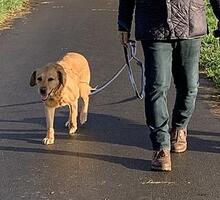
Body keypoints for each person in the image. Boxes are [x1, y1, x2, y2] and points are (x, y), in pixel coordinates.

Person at [118, 0, 220, 171]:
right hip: (153, 25)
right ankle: (161, 147)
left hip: (190, 22)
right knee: (156, 86)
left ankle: (179, 127)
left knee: (189, 86)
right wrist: (124, 22)